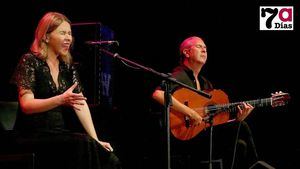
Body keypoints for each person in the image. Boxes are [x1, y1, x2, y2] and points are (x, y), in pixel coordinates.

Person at [9, 12, 122, 169]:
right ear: (46, 37)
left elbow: (80, 104)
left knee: (107, 156)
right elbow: (26, 105)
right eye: (63, 33)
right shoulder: (30, 61)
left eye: (70, 33)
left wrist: (96, 140)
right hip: (31, 134)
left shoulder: (67, 66)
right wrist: (60, 99)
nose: (69, 38)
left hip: (58, 133)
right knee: (81, 144)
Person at [152, 36, 258, 169]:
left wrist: (237, 119)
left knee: (241, 143)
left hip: (202, 137)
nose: (204, 50)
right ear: (186, 52)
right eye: (199, 47)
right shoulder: (179, 75)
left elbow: (212, 120)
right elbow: (158, 94)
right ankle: (257, 164)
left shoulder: (205, 83)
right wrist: (190, 112)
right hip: (182, 139)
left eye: (205, 48)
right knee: (244, 128)